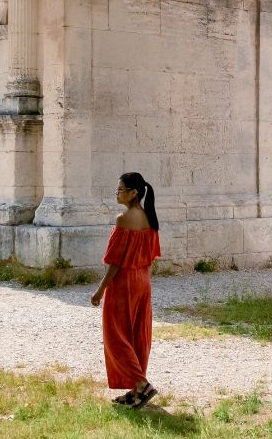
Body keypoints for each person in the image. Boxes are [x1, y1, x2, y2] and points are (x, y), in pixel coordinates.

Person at [91, 172, 162, 409]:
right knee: (137, 335)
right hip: (143, 281)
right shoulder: (149, 218)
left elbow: (115, 262)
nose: (117, 192)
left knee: (117, 336)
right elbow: (150, 256)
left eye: (121, 189)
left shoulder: (124, 219)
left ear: (133, 193)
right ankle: (135, 390)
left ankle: (142, 384)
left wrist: (100, 290)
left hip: (124, 283)